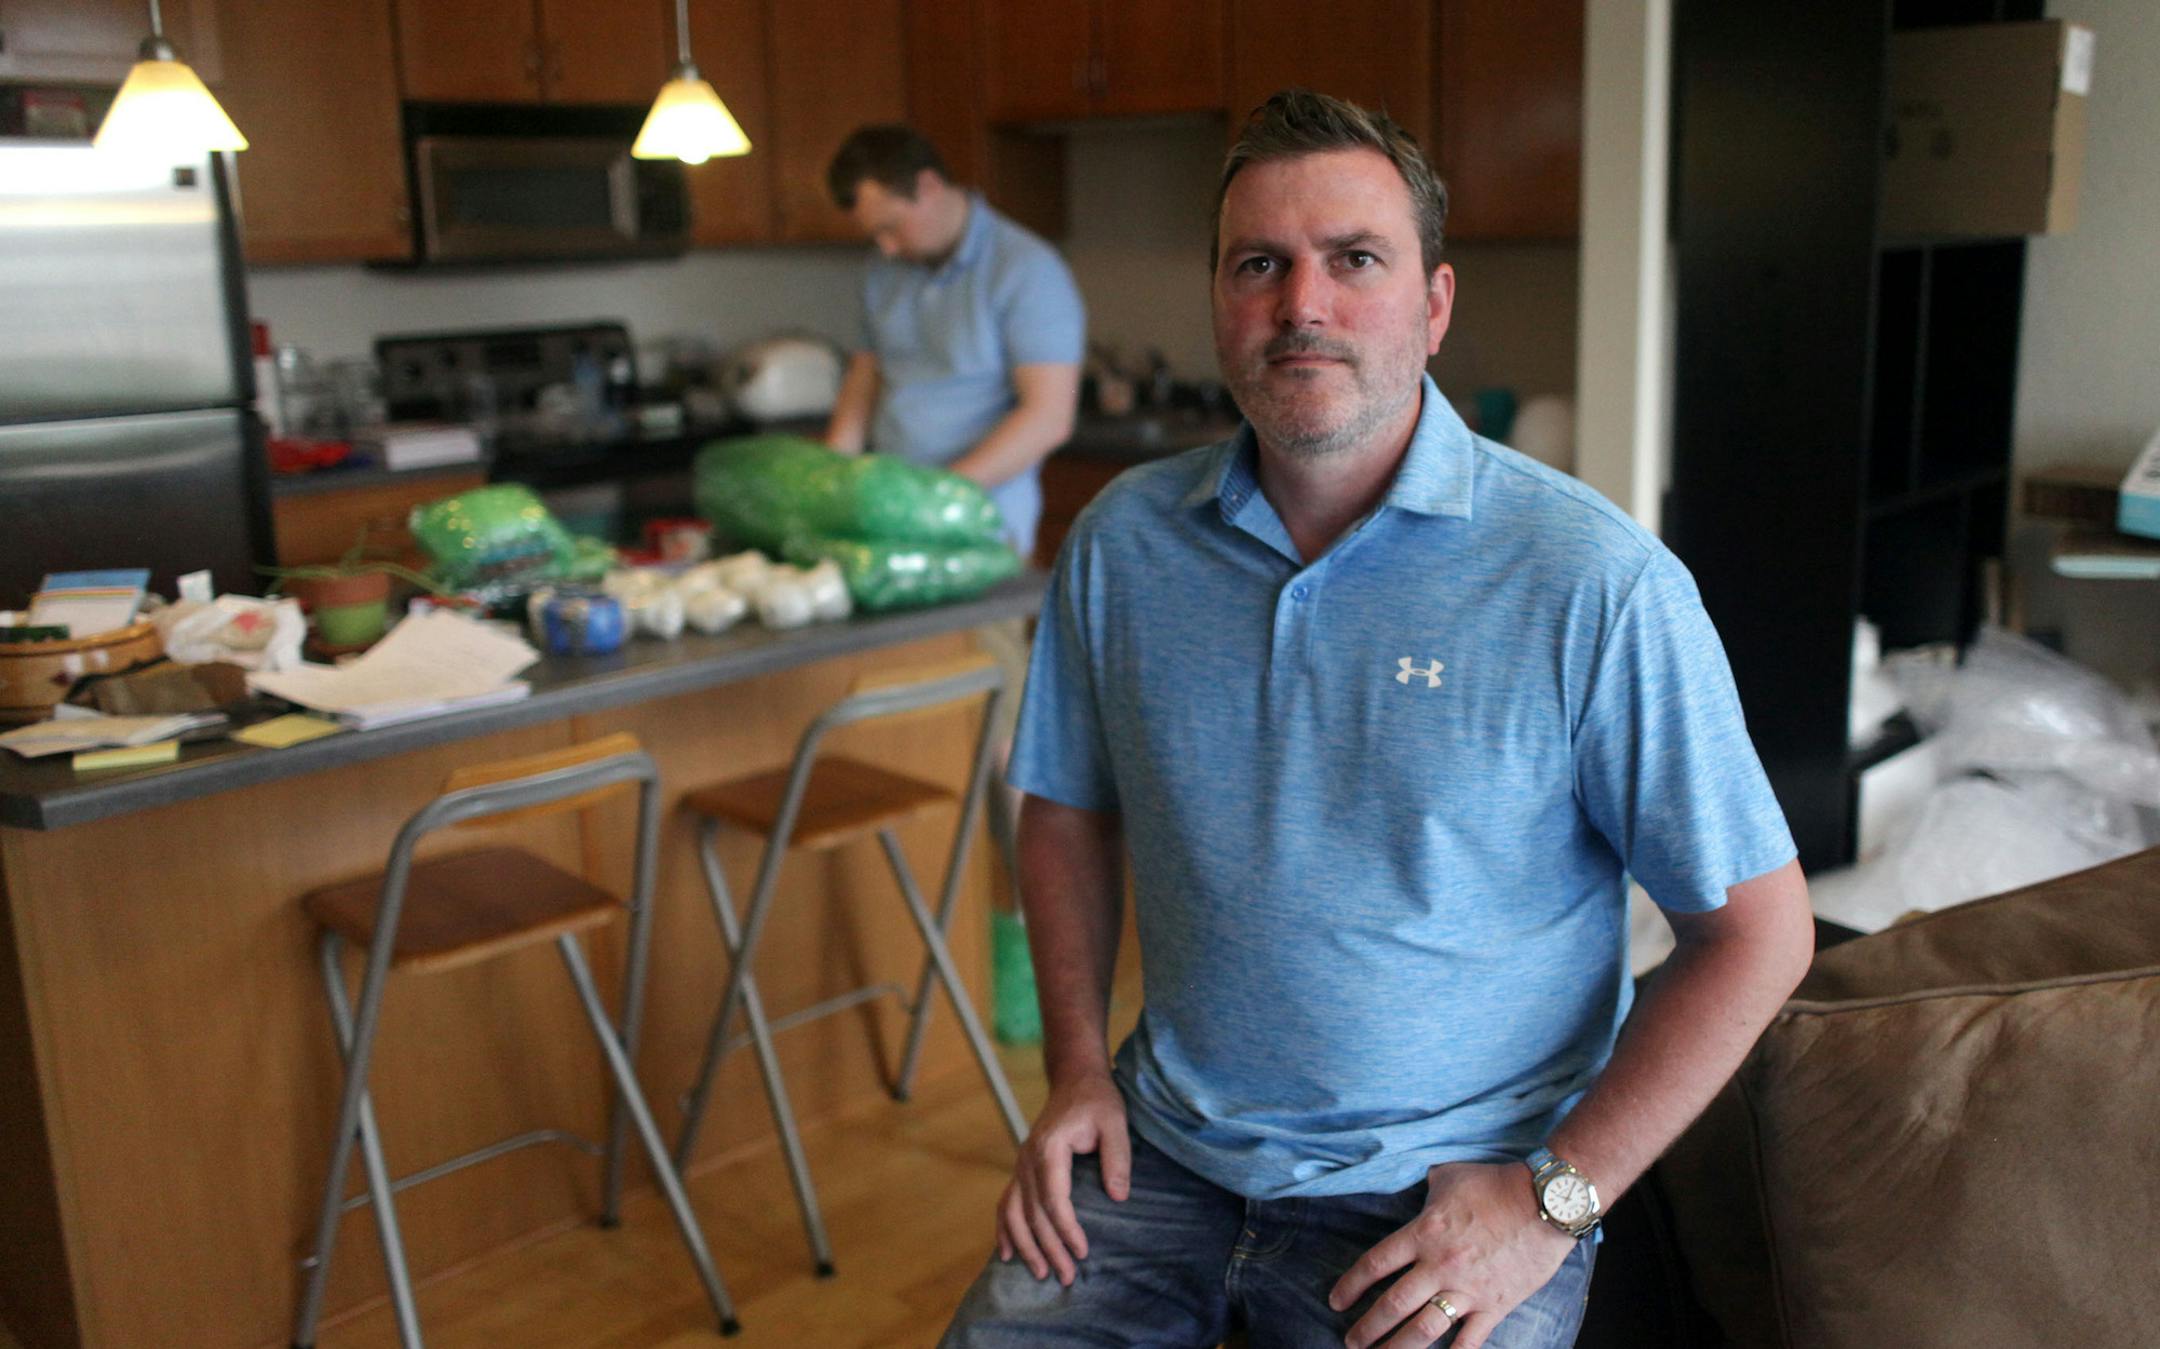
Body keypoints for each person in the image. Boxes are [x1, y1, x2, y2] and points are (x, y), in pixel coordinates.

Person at [940, 91, 1816, 1349]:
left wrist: (1550, 1200)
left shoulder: (1594, 583)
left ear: (1436, 304)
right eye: (1261, 264)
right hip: (1163, 1158)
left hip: (1445, 1198)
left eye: (1355, 259)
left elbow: (1759, 935)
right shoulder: (1126, 542)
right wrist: (1077, 1068)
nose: (1304, 305)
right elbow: (1068, 808)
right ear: (1219, 301)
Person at [822, 123, 1085, 561]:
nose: (885, 247)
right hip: (890, 515)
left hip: (982, 523)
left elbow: (1048, 416)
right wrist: (826, 480)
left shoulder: (1026, 269)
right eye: (874, 235)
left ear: (928, 186)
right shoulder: (883, 272)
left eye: (891, 227)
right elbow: (864, 380)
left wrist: (934, 496)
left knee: (976, 634)